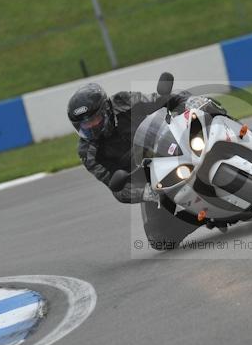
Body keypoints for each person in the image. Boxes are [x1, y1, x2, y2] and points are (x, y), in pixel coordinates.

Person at [67, 82, 199, 249]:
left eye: (94, 119)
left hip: (171, 142)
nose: (91, 126)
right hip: (153, 179)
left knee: (204, 112)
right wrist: (146, 192)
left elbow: (160, 99)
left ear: (106, 109)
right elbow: (117, 188)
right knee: (158, 238)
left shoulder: (123, 101)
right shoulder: (88, 152)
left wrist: (187, 101)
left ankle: (235, 134)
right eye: (85, 124)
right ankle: (203, 218)